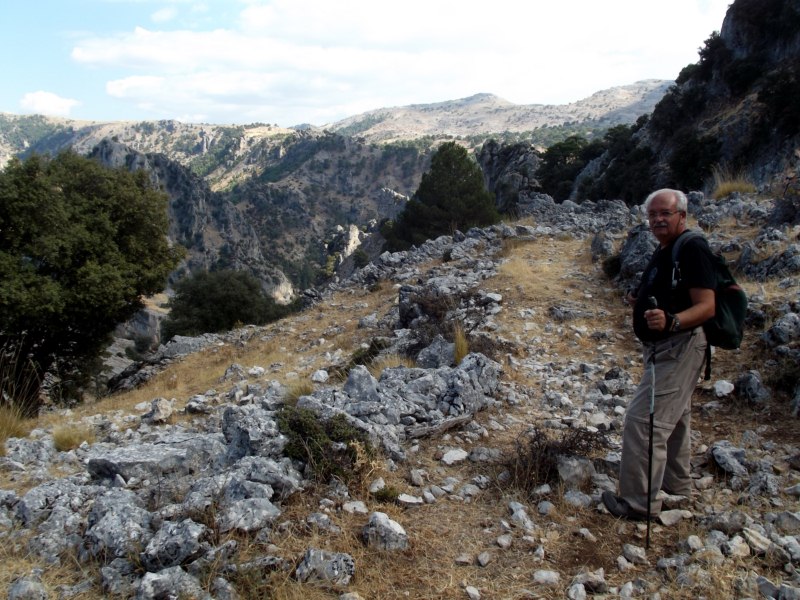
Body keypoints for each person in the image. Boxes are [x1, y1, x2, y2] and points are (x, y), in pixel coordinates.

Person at [602, 188, 716, 520]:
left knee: (643, 421)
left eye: (664, 213)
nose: (657, 220)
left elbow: (707, 305)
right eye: (652, 215)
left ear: (682, 214)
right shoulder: (666, 249)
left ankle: (638, 504)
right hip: (663, 348)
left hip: (679, 346)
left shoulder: (692, 247)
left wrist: (673, 320)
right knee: (675, 417)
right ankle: (676, 487)